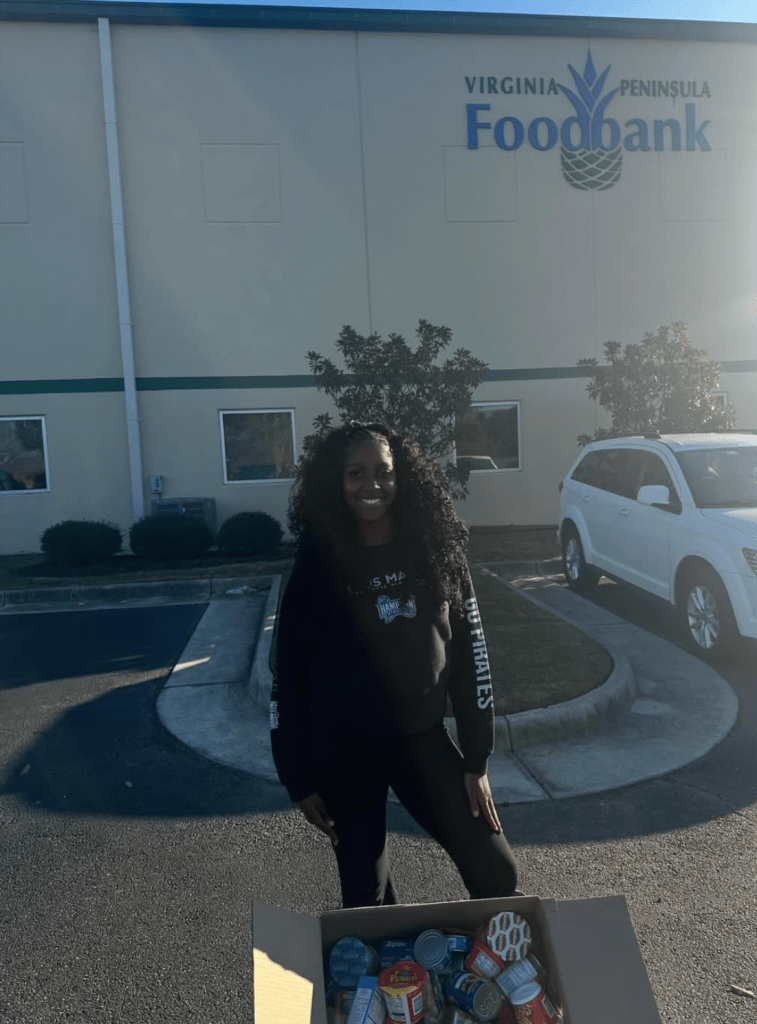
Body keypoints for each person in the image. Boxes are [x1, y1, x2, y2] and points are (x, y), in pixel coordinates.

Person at [269, 421, 519, 908]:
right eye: (355, 473)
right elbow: (289, 673)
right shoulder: (318, 563)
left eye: (383, 472)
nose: (371, 486)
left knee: (497, 871)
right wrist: (296, 776)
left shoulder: (436, 550)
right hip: (345, 751)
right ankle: (397, 979)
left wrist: (476, 759)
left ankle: (484, 967)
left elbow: (472, 655)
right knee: (366, 900)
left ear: (403, 478)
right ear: (335, 482)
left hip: (421, 741)